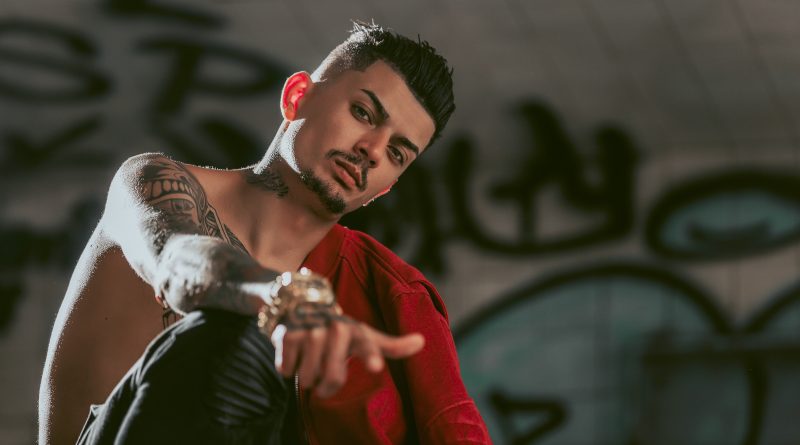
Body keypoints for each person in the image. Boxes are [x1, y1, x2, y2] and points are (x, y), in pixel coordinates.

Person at [38, 21, 491, 444]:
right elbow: (177, 256)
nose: (372, 150)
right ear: (297, 96)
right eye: (363, 112)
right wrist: (280, 297)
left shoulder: (374, 286)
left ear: (386, 188)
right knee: (242, 337)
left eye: (396, 153)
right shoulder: (155, 181)